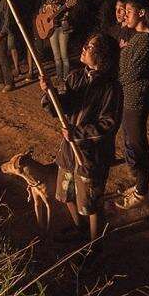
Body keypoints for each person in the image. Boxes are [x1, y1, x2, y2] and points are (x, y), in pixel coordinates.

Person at [39, 33, 122, 250]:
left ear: (103, 56)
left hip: (91, 155)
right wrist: (50, 93)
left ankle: (95, 245)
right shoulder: (76, 77)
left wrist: (79, 133)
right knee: (66, 193)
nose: (84, 47)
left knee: (91, 202)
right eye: (86, 43)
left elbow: (109, 123)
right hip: (69, 151)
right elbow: (63, 107)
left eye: (91, 46)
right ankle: (79, 228)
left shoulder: (111, 87)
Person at [115, 0, 149, 210]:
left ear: (141, 13)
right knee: (133, 141)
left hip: (137, 99)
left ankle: (142, 192)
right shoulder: (136, 36)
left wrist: (118, 62)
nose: (125, 15)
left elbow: (128, 74)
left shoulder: (146, 41)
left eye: (129, 12)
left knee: (138, 144)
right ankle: (140, 185)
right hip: (130, 97)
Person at [43, 0, 75, 81]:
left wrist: (66, 10)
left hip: (63, 28)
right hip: (52, 28)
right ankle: (59, 76)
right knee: (56, 56)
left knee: (64, 55)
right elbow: (42, 11)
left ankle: (66, 78)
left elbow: (71, 11)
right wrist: (46, 8)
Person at [5, 0, 35, 80]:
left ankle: (31, 69)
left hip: (24, 18)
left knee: (28, 43)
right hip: (12, 20)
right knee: (12, 45)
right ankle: (17, 68)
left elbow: (28, 0)